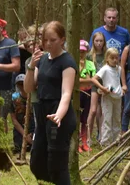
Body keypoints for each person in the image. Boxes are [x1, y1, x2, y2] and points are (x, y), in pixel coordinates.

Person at [25, 21, 77, 185]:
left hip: (59, 115)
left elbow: (66, 93)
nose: (47, 43)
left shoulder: (67, 62)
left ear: (62, 40)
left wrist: (59, 116)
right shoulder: (42, 59)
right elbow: (29, 88)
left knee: (57, 166)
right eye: (45, 40)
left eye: (52, 40)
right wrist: (31, 66)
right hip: (42, 114)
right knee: (37, 163)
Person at [93, 48, 123, 147]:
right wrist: (102, 88)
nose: (115, 60)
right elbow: (94, 79)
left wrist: (123, 88)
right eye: (112, 58)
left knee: (117, 118)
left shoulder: (119, 69)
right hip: (107, 97)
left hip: (117, 96)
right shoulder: (105, 68)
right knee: (107, 118)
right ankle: (105, 142)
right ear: (107, 58)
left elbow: (120, 81)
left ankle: (115, 140)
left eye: (116, 58)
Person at [78, 40, 103, 153]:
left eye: (83, 51)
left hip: (88, 93)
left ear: (86, 51)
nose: (81, 53)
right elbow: (76, 80)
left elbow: (93, 80)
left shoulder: (90, 64)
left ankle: (85, 141)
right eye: (79, 51)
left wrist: (86, 80)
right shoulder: (74, 63)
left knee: (85, 119)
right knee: (77, 119)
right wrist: (88, 80)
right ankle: (77, 142)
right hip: (78, 93)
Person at [10, 74, 34, 155]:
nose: (22, 86)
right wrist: (25, 135)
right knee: (18, 148)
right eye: (19, 84)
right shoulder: (14, 98)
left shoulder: (34, 98)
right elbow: (14, 120)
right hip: (20, 129)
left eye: (23, 84)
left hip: (32, 129)